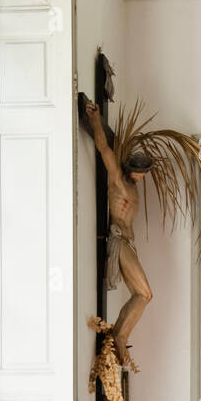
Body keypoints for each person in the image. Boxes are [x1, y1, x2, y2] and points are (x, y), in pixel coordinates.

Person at [85, 99, 153, 365]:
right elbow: (103, 148)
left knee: (144, 294)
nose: (141, 176)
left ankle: (119, 336)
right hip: (119, 241)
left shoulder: (134, 188)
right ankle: (120, 337)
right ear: (130, 169)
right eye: (139, 172)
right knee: (145, 293)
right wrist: (94, 119)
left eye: (144, 172)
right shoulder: (117, 180)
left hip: (129, 243)